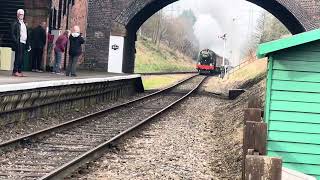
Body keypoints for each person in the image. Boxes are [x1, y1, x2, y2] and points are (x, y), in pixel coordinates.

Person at [11, 9, 30, 77]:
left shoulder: (23, 23)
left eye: (22, 14)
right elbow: (12, 34)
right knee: (18, 57)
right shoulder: (15, 23)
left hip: (23, 42)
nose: (21, 16)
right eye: (20, 14)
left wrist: (28, 43)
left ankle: (19, 70)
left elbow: (26, 33)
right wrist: (16, 41)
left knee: (21, 58)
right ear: (17, 15)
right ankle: (15, 71)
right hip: (19, 42)